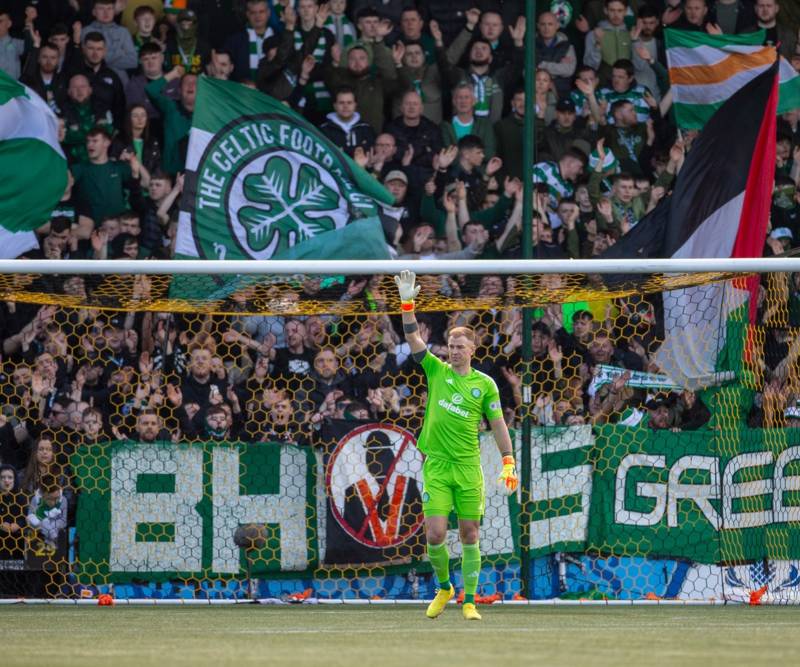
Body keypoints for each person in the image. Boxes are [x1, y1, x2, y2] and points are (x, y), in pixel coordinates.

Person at [393, 269, 517, 621]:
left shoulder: (485, 385)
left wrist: (508, 461)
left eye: (461, 346)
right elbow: (414, 337)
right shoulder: (436, 370)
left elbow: (497, 425)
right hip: (437, 465)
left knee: (469, 531)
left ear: (472, 350)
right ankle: (445, 587)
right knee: (434, 534)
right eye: (451, 346)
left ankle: (470, 601)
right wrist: (406, 304)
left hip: (467, 467)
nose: (455, 351)